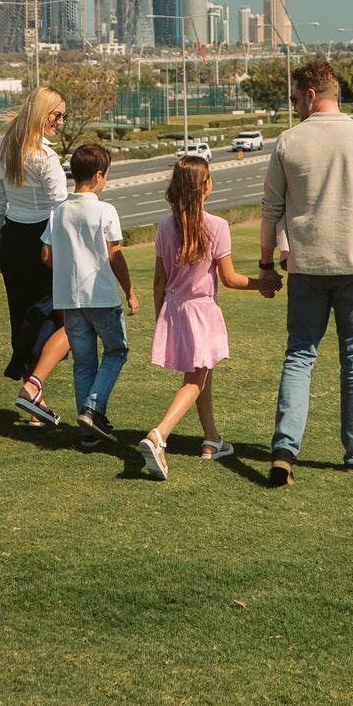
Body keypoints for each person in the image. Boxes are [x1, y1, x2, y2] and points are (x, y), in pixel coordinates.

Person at [260, 59, 353, 486]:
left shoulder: (288, 142)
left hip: (306, 266)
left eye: (294, 98)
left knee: (299, 356)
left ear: (309, 94)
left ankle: (285, 447)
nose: (293, 105)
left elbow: (270, 210)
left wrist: (267, 264)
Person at [138, 155, 277, 482]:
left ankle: (212, 440)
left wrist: (161, 318)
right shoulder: (216, 226)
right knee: (195, 379)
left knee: (202, 374)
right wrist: (262, 283)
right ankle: (159, 435)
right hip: (201, 311)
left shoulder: (163, 226)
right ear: (206, 186)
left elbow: (159, 281)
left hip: (174, 308)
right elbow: (229, 278)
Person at [43, 142, 137, 449]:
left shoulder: (58, 211)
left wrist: (69, 266)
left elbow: (46, 255)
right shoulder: (104, 209)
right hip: (102, 297)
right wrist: (130, 291)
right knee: (116, 351)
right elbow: (115, 255)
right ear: (98, 175)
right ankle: (93, 410)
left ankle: (87, 434)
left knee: (83, 363)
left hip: (70, 299)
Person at [0, 87, 68, 379]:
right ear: (41, 114)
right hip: (42, 240)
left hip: (13, 238)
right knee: (52, 315)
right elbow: (60, 207)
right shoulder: (46, 156)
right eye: (57, 115)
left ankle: (30, 384)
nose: (60, 122)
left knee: (22, 315)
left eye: (63, 116)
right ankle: (34, 384)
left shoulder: (4, 146)